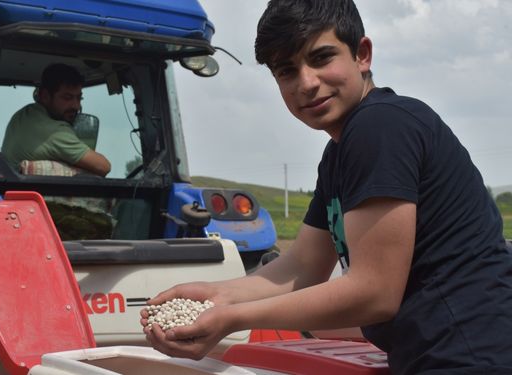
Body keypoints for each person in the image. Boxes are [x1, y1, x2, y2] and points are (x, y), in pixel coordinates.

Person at [140, 0, 512, 373]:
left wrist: (231, 318)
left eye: (321, 58)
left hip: (472, 353)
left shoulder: (381, 126)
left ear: (362, 54)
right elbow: (303, 266)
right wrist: (219, 295)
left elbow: (375, 292)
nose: (307, 83)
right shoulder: (339, 153)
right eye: (287, 71)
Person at [1, 63, 111, 177]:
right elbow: (103, 166)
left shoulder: (23, 115)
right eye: (67, 98)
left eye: (79, 98)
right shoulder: (56, 132)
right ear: (45, 96)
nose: (76, 106)